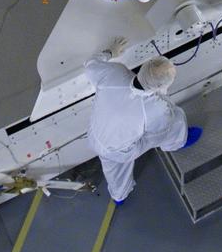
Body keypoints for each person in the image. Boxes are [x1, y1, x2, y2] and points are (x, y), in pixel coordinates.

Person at [84, 38, 203, 205]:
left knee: (115, 170)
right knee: (175, 119)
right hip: (121, 150)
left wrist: (110, 52)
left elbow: (90, 64)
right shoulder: (155, 109)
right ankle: (179, 141)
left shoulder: (115, 73)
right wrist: (163, 102)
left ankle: (119, 197)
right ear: (161, 85)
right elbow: (160, 129)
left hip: (96, 136)